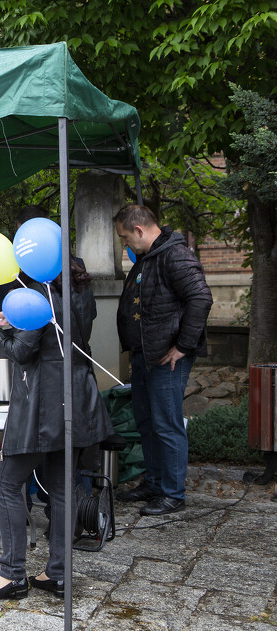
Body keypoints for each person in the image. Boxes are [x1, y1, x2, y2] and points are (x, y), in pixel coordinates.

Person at [0, 260, 113, 601]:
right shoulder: (79, 291)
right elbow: (54, 329)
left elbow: (22, 351)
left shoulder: (38, 292)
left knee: (5, 482)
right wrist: (14, 320)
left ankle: (11, 575)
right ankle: (58, 574)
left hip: (44, 400)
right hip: (76, 395)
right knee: (62, 487)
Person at [114, 204, 213, 516]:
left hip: (169, 358)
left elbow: (201, 298)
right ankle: (154, 483)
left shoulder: (175, 255)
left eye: (125, 238)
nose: (125, 244)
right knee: (146, 421)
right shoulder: (149, 258)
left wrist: (183, 346)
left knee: (166, 424)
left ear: (140, 230)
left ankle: (173, 494)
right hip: (146, 355)